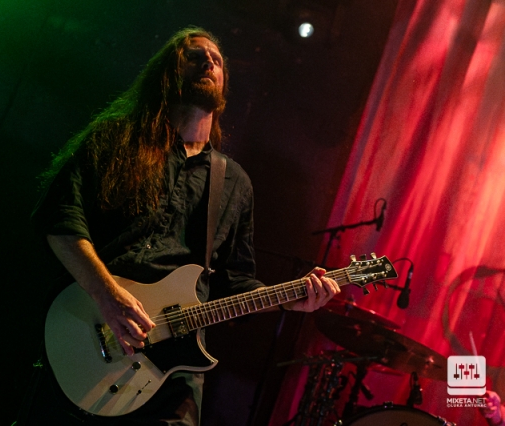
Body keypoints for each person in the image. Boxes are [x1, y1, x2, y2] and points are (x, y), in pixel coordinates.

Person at [23, 27, 340, 425]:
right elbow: (60, 220)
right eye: (194, 56)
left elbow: (234, 282)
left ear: (223, 84)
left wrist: (291, 298)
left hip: (173, 371)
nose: (208, 62)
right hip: (93, 332)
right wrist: (108, 295)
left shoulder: (234, 183)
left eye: (217, 61)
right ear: (168, 73)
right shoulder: (115, 139)